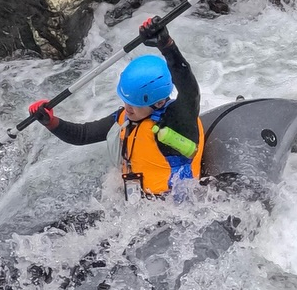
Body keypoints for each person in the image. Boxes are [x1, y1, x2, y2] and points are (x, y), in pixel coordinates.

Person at [28, 18, 205, 198]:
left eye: (135, 104)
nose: (128, 108)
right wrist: (50, 122)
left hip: (173, 207)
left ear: (158, 102)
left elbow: (189, 90)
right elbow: (82, 135)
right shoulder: (125, 118)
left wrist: (167, 45)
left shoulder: (177, 121)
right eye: (126, 101)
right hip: (139, 203)